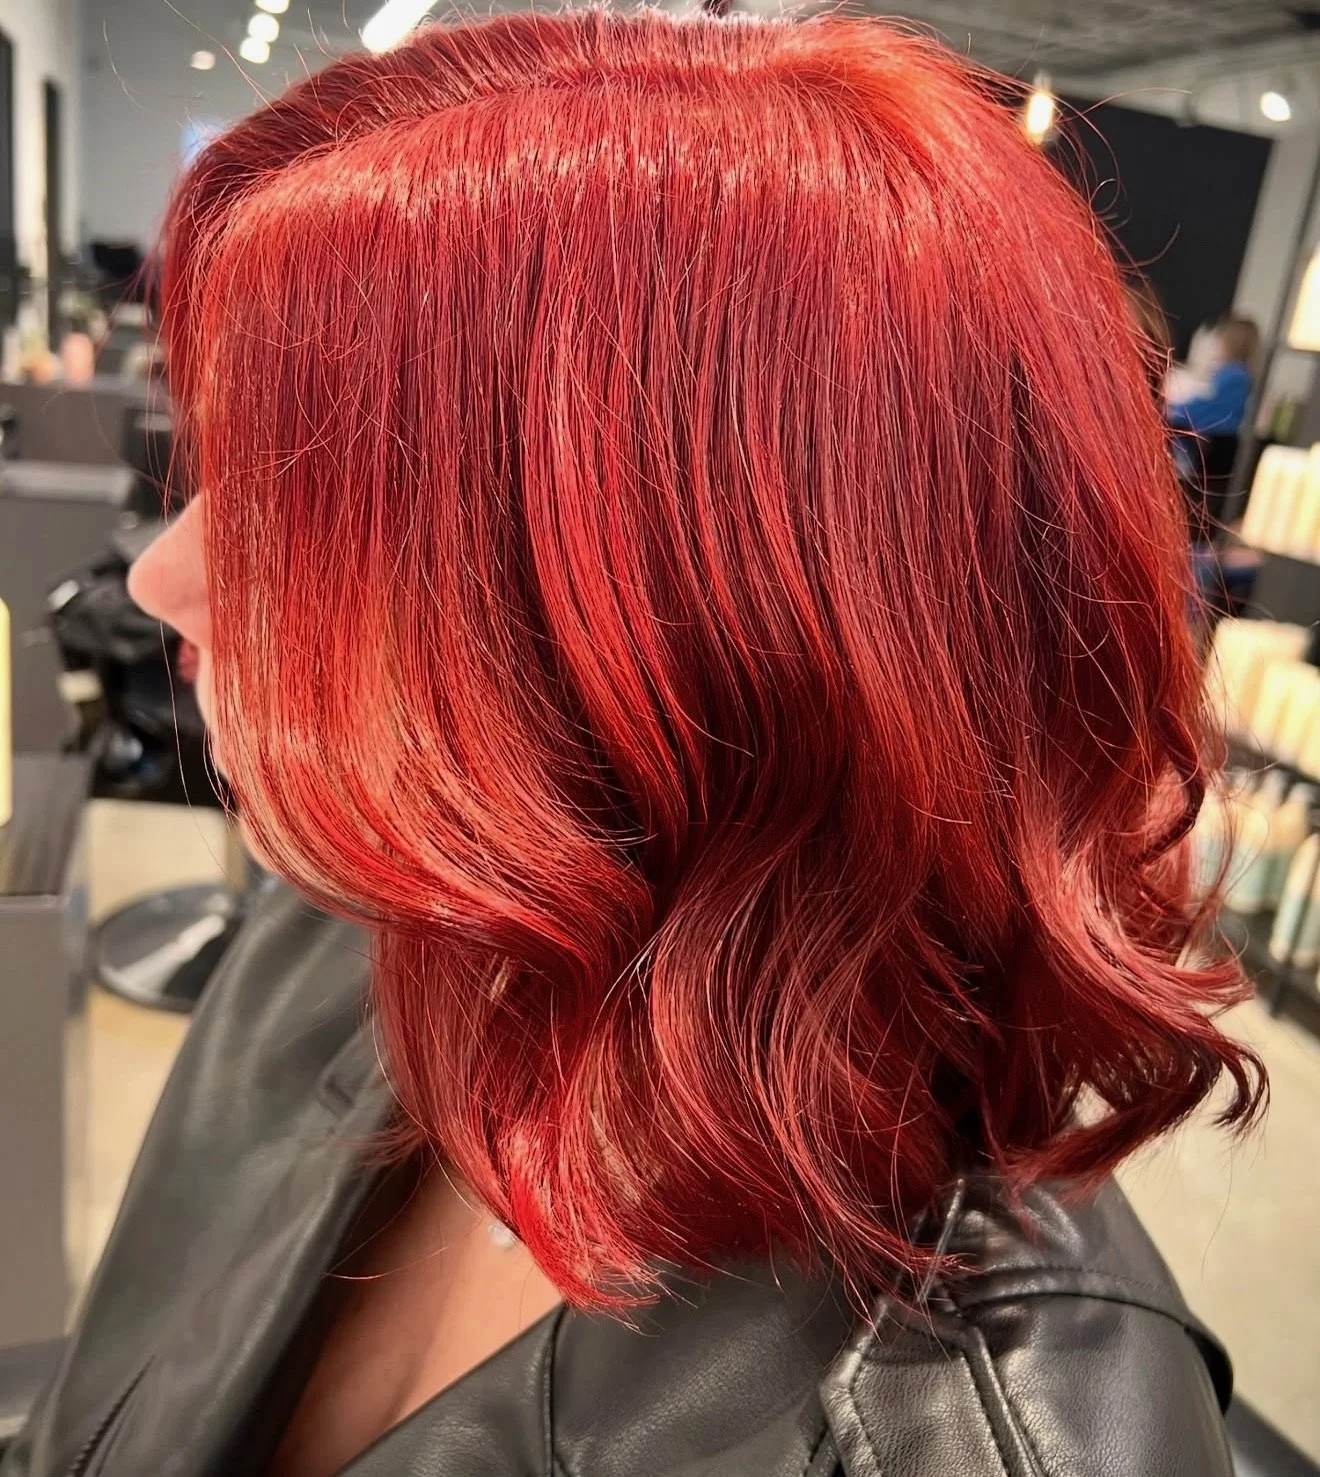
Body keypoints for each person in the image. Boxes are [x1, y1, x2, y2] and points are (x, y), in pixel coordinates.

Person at [3, 13, 1263, 1477]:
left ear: (678, 625)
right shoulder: (358, 946)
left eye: (314, 512)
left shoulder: (990, 1443)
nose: (163, 575)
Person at [1167, 313, 1261, 439]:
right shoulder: (1239, 375)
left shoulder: (1233, 376)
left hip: (1209, 439)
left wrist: (1171, 409)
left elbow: (1197, 412)